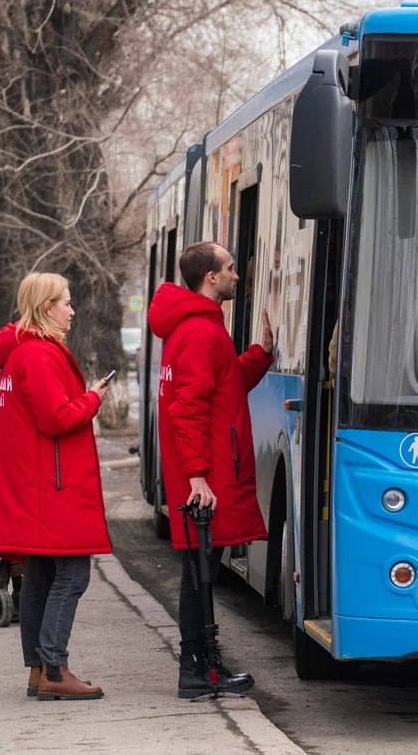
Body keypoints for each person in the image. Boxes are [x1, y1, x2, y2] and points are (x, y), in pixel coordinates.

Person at [0, 272, 111, 701]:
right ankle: (54, 667)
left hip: (33, 485)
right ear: (47, 307)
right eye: (66, 302)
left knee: (41, 577)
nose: (73, 310)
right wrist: (94, 398)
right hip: (52, 487)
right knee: (71, 574)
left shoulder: (18, 356)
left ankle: (38, 670)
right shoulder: (39, 356)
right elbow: (57, 418)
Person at [147, 241, 274, 699]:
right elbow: (189, 408)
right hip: (208, 476)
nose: (237, 275)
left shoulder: (195, 329)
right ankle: (198, 671)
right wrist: (199, 475)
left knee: (201, 571)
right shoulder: (200, 332)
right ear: (211, 278)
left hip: (207, 470)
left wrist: (260, 354)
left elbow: (223, 387)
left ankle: (204, 668)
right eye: (231, 268)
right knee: (198, 574)